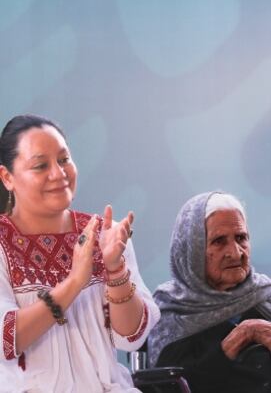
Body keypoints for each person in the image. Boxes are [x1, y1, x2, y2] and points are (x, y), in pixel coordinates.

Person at [0, 114, 158, 392]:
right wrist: (74, 282)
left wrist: (115, 267)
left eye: (64, 160)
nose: (58, 174)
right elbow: (7, 340)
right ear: (7, 177)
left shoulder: (104, 234)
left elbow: (130, 337)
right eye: (40, 165)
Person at [148, 191, 271, 393]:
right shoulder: (174, 312)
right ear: (191, 250)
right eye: (219, 241)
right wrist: (240, 336)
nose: (236, 252)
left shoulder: (267, 299)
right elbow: (170, 388)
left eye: (241, 238)